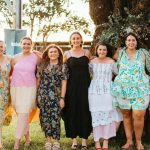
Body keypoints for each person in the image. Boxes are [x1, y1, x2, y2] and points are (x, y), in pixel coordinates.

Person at [111, 32, 150, 150]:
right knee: (126, 115)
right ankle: (129, 141)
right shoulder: (120, 53)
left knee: (138, 115)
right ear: (125, 42)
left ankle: (138, 142)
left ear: (136, 42)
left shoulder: (143, 53)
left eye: (133, 40)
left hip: (141, 89)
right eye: (128, 40)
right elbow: (107, 59)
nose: (131, 42)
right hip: (123, 89)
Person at [88, 43, 123, 150]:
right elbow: (88, 74)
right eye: (100, 50)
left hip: (108, 91)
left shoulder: (112, 62)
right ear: (96, 50)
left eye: (104, 50)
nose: (102, 51)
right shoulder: (91, 62)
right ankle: (97, 141)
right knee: (95, 114)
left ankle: (106, 141)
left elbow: (119, 73)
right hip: (94, 91)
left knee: (109, 114)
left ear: (107, 51)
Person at [63, 31, 92, 150]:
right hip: (71, 87)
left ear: (81, 40)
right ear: (71, 41)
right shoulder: (67, 54)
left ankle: (84, 141)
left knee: (85, 111)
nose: (76, 40)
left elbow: (92, 67)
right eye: (73, 38)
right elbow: (64, 70)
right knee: (72, 111)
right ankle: (74, 140)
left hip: (85, 87)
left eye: (78, 38)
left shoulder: (87, 52)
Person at [10, 37, 41, 150]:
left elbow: (46, 62)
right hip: (16, 88)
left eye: (28, 44)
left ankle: (17, 142)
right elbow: (9, 72)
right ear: (20, 44)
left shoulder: (35, 57)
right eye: (24, 44)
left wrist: (40, 53)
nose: (26, 46)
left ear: (31, 45)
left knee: (23, 114)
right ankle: (27, 138)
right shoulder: (14, 58)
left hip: (30, 88)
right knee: (22, 114)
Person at [36, 44, 68, 150]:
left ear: (59, 53)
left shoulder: (63, 66)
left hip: (56, 96)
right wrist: (37, 96)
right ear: (48, 54)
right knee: (45, 118)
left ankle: (56, 141)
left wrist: (62, 98)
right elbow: (38, 81)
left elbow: (64, 83)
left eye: (55, 51)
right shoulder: (43, 66)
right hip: (43, 95)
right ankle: (48, 140)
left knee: (55, 118)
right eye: (51, 52)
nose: (53, 53)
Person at [0, 40, 11, 149]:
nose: (0, 48)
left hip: (4, 92)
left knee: (1, 116)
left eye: (2, 46)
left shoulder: (9, 58)